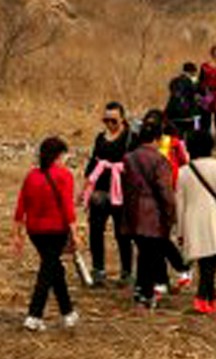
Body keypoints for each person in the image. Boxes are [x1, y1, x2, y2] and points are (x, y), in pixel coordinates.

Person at [13, 136, 79, 331]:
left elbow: (20, 206)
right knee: (47, 271)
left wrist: (16, 234)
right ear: (58, 156)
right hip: (56, 230)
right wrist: (75, 232)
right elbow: (68, 207)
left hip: (35, 231)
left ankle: (68, 313)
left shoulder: (31, 176)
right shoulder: (64, 175)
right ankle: (34, 315)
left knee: (54, 269)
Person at [176, 129, 216, 315]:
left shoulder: (183, 172)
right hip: (212, 218)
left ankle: (210, 295)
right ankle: (203, 297)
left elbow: (179, 203)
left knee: (204, 261)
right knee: (211, 260)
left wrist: (180, 231)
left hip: (191, 220)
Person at [122, 118, 177, 308]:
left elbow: (125, 188)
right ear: (157, 139)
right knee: (151, 255)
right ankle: (146, 295)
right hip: (153, 214)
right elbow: (165, 192)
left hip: (132, 212)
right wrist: (170, 215)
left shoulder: (128, 158)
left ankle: (139, 290)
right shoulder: (160, 160)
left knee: (142, 253)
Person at [80, 103, 134, 286]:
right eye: (106, 120)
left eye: (113, 120)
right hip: (100, 191)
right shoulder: (100, 138)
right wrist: (85, 186)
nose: (109, 124)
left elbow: (136, 163)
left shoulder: (131, 137)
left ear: (122, 119)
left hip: (122, 192)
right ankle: (98, 270)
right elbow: (93, 162)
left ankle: (126, 272)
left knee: (123, 233)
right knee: (95, 231)